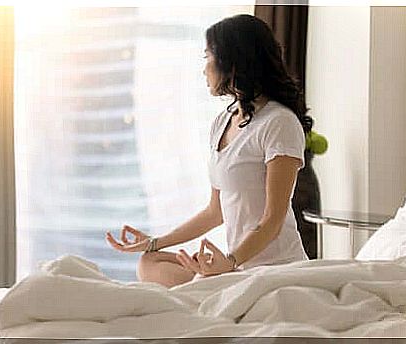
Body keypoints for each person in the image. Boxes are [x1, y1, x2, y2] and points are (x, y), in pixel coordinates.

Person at [106, 14, 312, 288]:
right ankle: (207, 290)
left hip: (272, 270)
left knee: (183, 281)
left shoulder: (279, 123)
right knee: (149, 261)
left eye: (207, 57)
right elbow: (215, 211)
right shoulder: (223, 121)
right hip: (235, 267)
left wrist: (230, 260)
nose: (204, 69)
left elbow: (272, 220)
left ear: (233, 62)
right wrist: (154, 242)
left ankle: (209, 291)